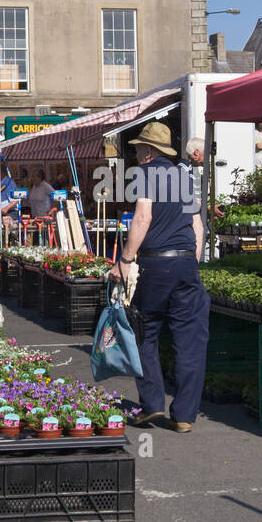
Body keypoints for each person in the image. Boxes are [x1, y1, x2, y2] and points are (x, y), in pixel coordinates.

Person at [110, 121, 208, 434]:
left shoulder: (145, 174)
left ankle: (152, 404)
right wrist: (191, 262)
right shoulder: (183, 177)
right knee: (189, 339)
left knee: (144, 331)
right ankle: (184, 416)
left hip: (154, 265)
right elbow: (197, 227)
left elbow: (143, 217)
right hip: (185, 263)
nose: (136, 153)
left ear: (149, 151)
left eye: (138, 148)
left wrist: (124, 261)